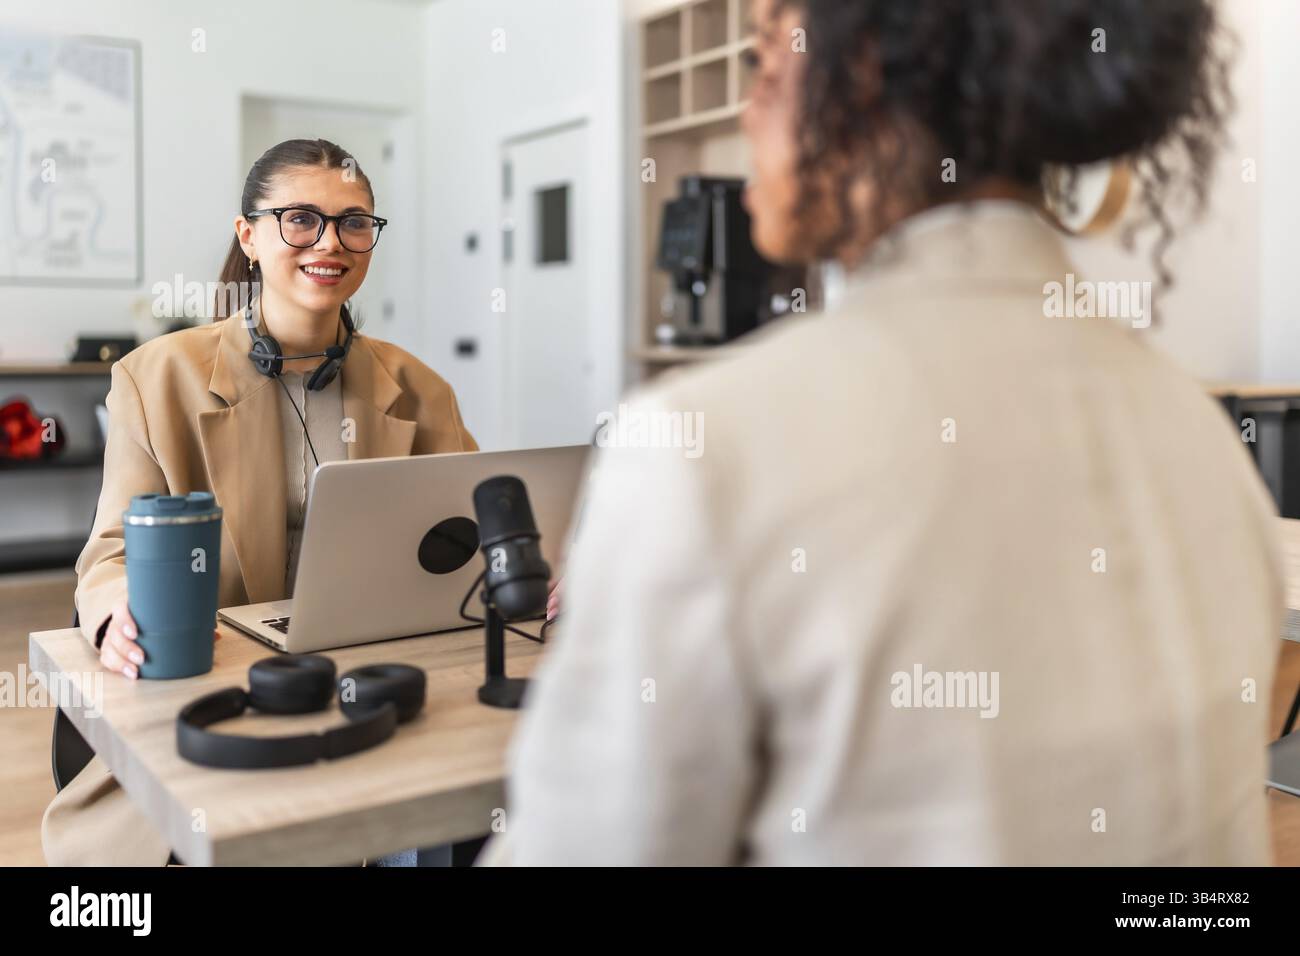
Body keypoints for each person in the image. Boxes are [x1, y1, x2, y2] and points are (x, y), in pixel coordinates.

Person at [486, 0, 1281, 864]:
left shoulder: (700, 446)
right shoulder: (1203, 440)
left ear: (856, 70)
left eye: (764, 65)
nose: (750, 111)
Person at [44, 139, 478, 866]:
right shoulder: (156, 378)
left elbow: (469, 539)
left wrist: (525, 565)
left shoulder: (420, 388)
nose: (331, 243)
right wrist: (117, 607)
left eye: (354, 223)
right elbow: (112, 551)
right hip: (217, 704)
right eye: (301, 220)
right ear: (248, 235)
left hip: (376, 695)